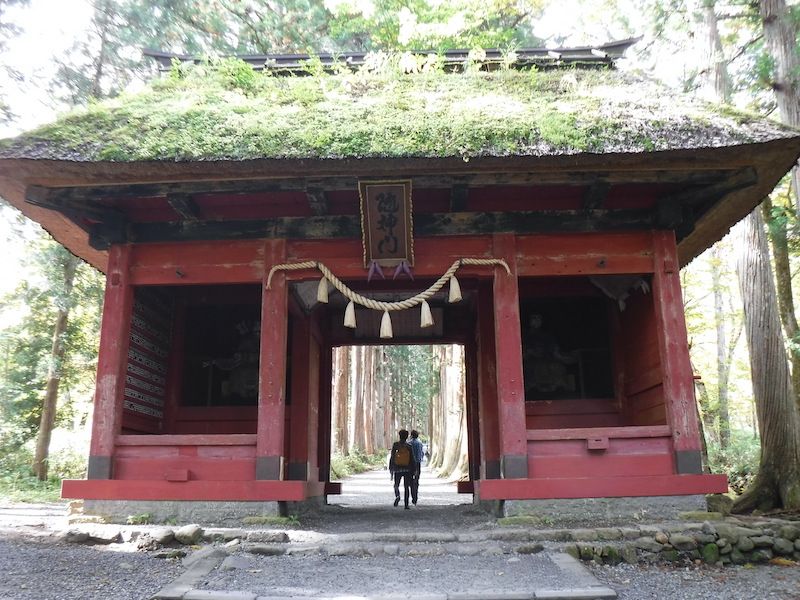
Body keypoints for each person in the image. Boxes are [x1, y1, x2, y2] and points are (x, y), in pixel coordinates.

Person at [388, 429, 417, 509]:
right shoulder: (409, 446)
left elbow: (392, 457)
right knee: (406, 487)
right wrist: (414, 469)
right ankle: (406, 504)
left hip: (397, 468)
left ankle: (397, 495)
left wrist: (391, 467)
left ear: (399, 435)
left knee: (396, 484)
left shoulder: (395, 445)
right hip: (407, 469)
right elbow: (412, 459)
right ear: (407, 436)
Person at [409, 430, 425, 505]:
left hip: (410, 464)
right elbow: (422, 453)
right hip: (418, 464)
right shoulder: (420, 443)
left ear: (411, 435)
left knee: (410, 481)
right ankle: (415, 497)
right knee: (416, 480)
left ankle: (413, 496)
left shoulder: (409, 443)